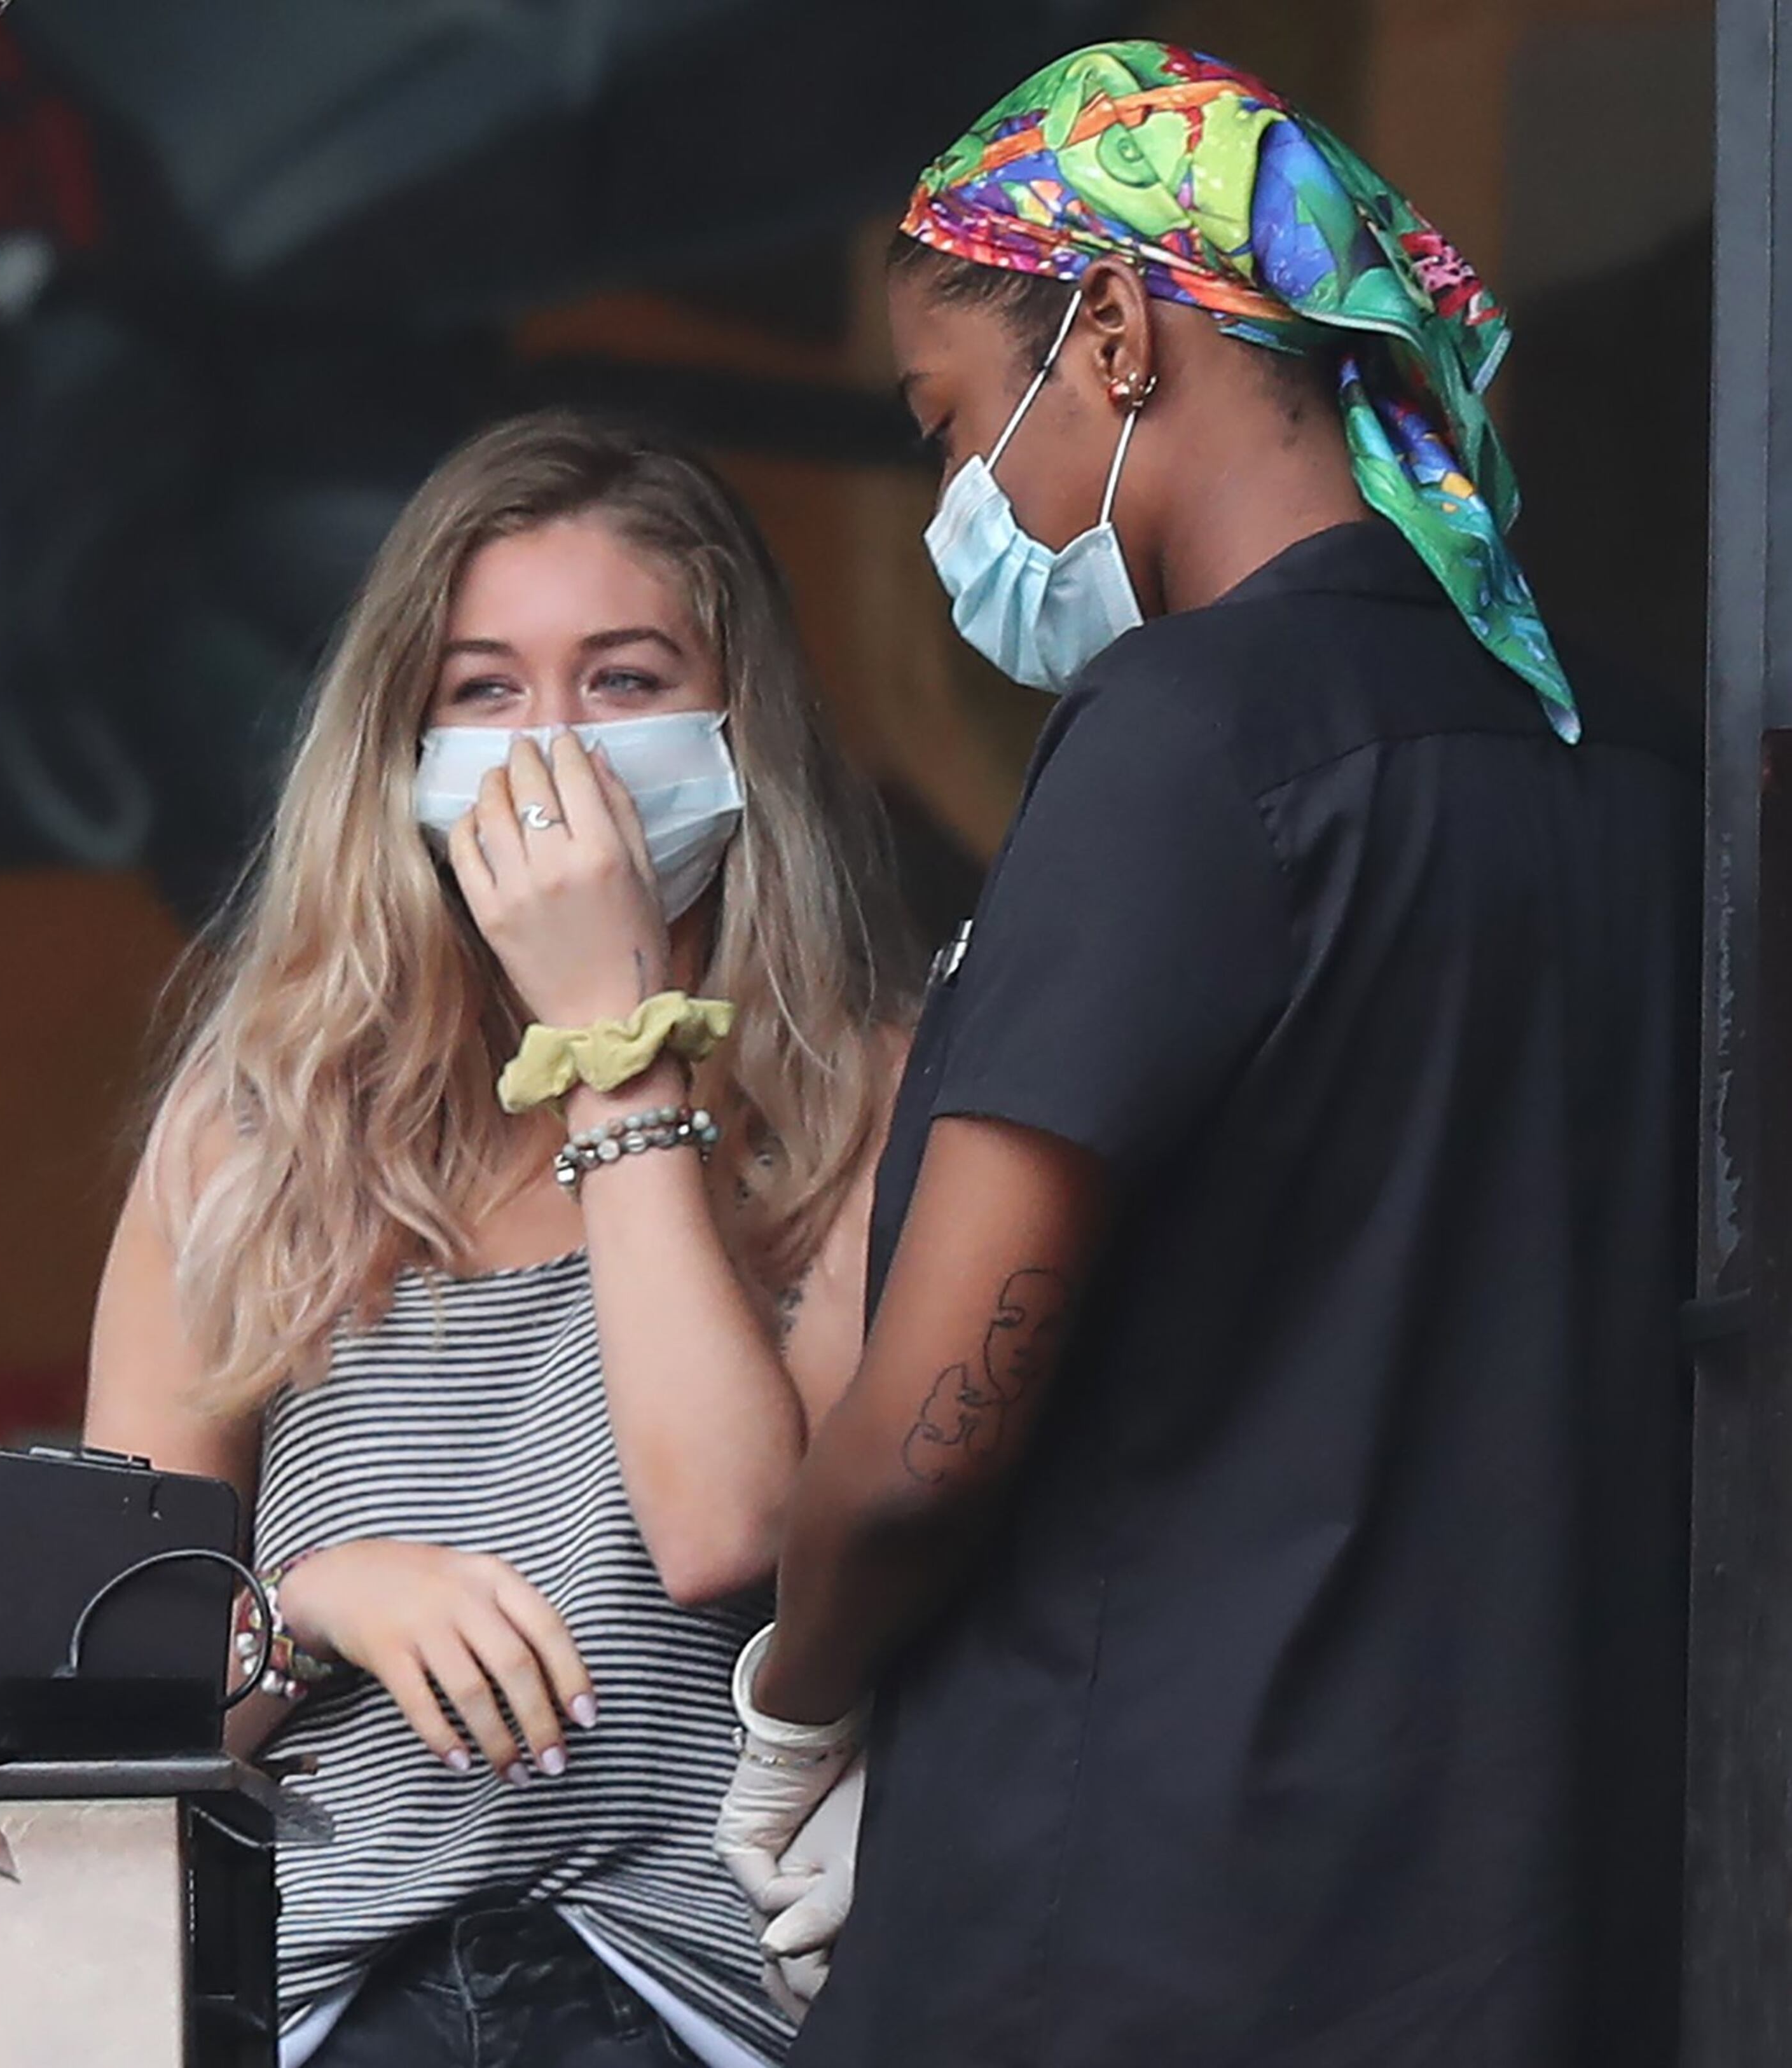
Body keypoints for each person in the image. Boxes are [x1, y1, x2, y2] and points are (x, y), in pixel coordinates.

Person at [713, 41, 1698, 2067]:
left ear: (1114, 331)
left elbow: (925, 1438)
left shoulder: (1181, 742)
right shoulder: (1636, 765)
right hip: (1542, 1921)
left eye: (950, 425)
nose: (962, 507)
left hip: (1146, 1927)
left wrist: (797, 1706)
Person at [84, 410, 911, 2067]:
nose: (554, 754)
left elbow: (729, 1532)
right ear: (402, 741)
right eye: (486, 691)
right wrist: (315, 1602)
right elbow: (104, 1691)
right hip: (330, 1999)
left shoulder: (864, 1096)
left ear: (736, 725)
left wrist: (613, 1037)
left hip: (687, 2001)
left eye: (622, 680)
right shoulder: (259, 1125)